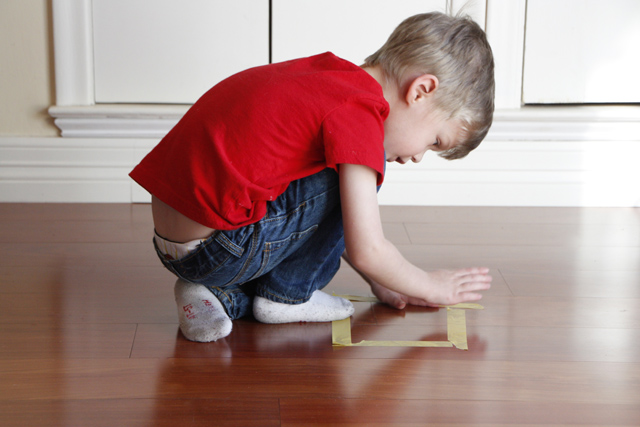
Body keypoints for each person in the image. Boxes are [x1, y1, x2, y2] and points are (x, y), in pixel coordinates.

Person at [130, 11, 495, 342]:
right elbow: (367, 247)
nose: (417, 157)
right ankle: (286, 297)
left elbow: (326, 222)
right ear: (421, 91)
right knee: (360, 173)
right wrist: (430, 286)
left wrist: (381, 283)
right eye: (434, 141)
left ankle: (212, 294)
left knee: (342, 171)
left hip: (176, 243)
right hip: (222, 248)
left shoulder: (329, 76)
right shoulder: (360, 114)